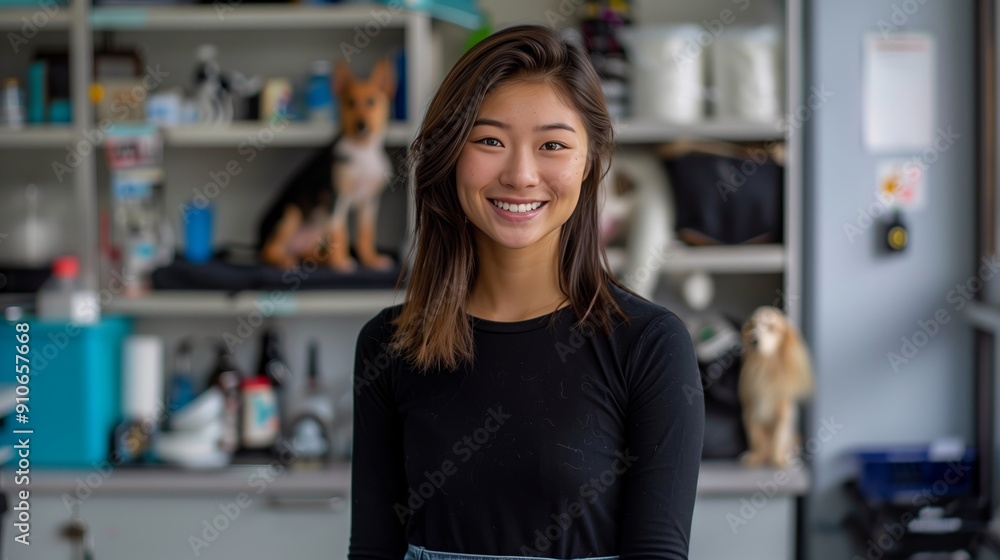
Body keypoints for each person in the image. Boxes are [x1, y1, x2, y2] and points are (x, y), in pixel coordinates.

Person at [349, 24, 704, 560]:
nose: (520, 174)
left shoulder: (650, 346)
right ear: (450, 156)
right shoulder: (388, 345)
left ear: (588, 164)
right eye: (490, 140)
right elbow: (372, 550)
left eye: (553, 145)